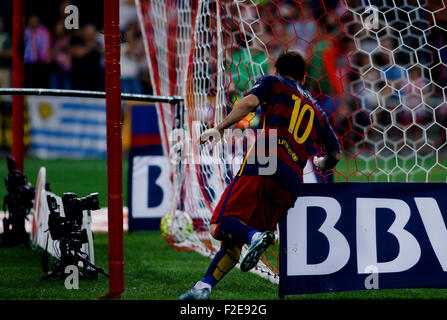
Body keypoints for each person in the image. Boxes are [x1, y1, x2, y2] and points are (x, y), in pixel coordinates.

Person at [178, 51, 342, 300]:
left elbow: (249, 103)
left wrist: (219, 128)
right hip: (291, 179)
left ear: (277, 70)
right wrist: (321, 163)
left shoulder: (273, 82)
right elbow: (336, 154)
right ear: (304, 77)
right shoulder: (317, 108)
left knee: (218, 226)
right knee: (234, 241)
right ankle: (203, 287)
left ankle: (255, 236)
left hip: (265, 155)